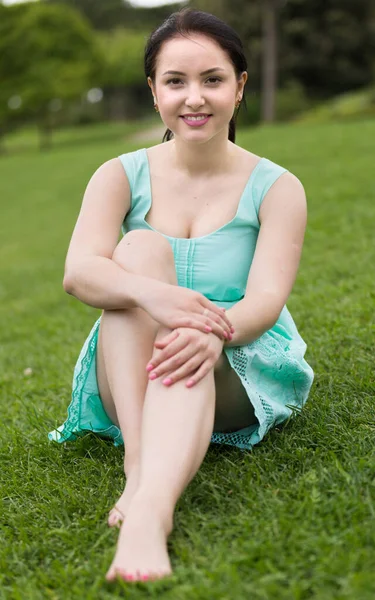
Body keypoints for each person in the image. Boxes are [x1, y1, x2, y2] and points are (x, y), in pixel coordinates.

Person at [48, 7, 314, 583]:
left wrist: (210, 329)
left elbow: (265, 300)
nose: (195, 98)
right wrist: (154, 296)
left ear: (239, 87)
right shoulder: (118, 174)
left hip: (234, 366)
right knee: (137, 254)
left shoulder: (278, 187)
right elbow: (78, 273)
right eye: (176, 81)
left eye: (212, 80)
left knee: (188, 329)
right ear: (154, 91)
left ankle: (149, 512)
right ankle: (139, 462)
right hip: (132, 374)